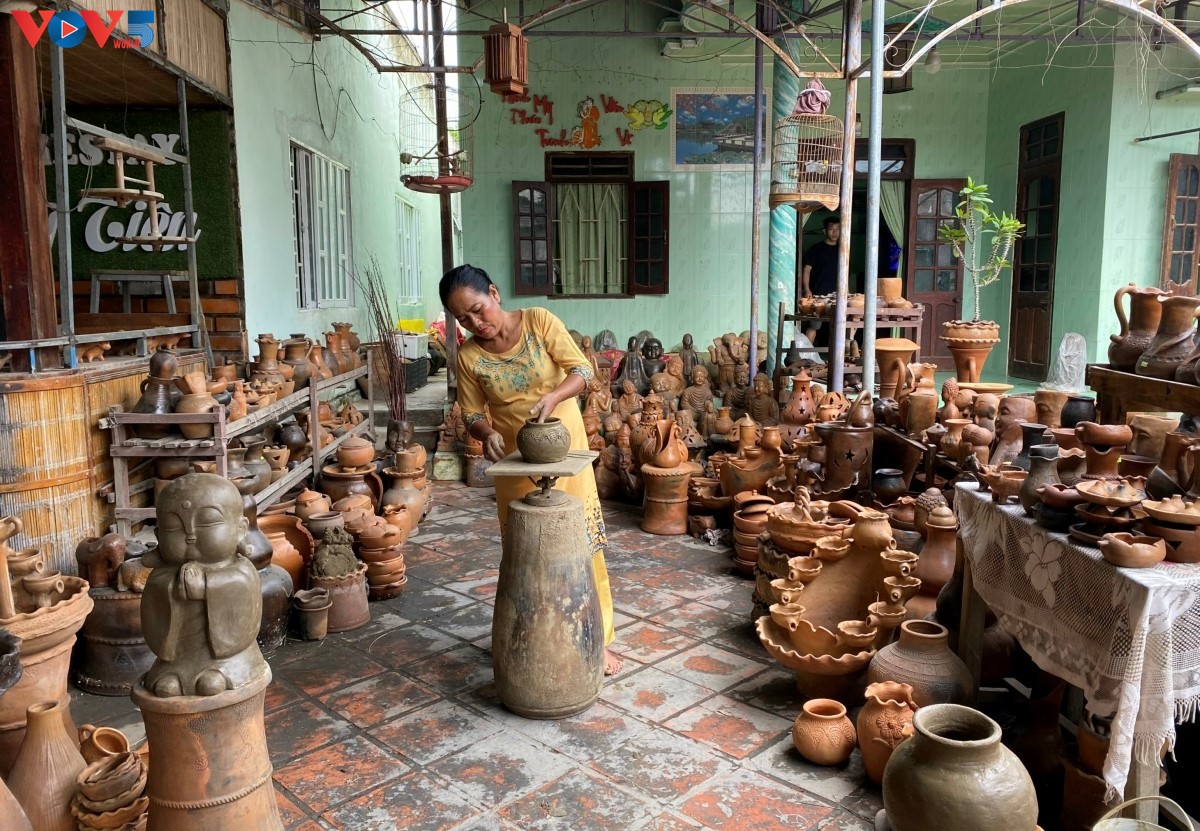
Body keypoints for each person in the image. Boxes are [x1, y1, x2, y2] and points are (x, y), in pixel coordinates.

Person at [439, 264, 622, 675]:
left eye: (478, 309)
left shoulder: (538, 321)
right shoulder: (469, 356)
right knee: (528, 553)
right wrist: (485, 433)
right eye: (463, 319)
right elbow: (471, 413)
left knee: (581, 544)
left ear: (494, 293)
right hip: (515, 461)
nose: (475, 323)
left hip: (564, 448)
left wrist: (554, 397)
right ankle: (535, 638)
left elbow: (582, 370)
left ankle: (598, 639)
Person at [801, 216, 841, 344]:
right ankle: (805, 353)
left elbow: (845, 274)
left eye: (838, 229)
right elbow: (806, 270)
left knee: (841, 326)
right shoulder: (816, 249)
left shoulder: (842, 250)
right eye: (831, 229)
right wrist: (807, 289)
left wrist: (847, 293)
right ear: (825, 231)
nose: (835, 232)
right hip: (818, 296)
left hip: (837, 297)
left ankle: (840, 355)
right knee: (814, 326)